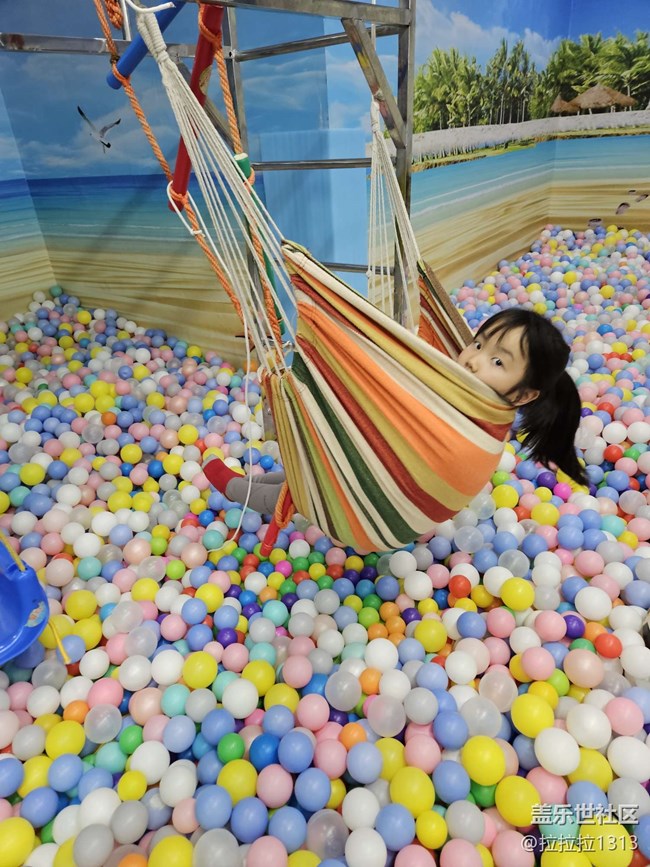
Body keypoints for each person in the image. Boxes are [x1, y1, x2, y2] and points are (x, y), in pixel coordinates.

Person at [203, 307, 588, 514]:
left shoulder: (474, 430)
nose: (472, 360)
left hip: (374, 492)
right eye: (477, 344)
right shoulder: (463, 395)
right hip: (366, 464)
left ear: (523, 395)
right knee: (304, 472)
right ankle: (268, 479)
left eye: (498, 362)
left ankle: (234, 487)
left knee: (306, 491)